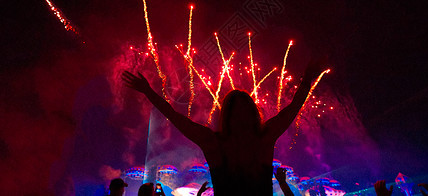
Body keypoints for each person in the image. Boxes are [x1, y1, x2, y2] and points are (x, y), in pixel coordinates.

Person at [122, 60, 325, 196]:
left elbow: (175, 117)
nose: (240, 117)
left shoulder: (216, 142)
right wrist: (307, 81)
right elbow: (293, 108)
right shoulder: (262, 137)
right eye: (240, 111)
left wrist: (149, 92)